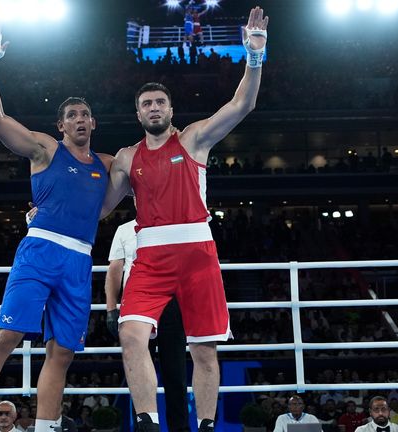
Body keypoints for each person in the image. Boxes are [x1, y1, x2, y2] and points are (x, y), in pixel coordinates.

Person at [99, 7, 269, 432]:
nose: (153, 108)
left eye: (159, 102)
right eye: (146, 104)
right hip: (150, 255)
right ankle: (148, 421)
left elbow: (242, 104)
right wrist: (47, 207)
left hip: (197, 252)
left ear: (170, 109)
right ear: (138, 114)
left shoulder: (194, 139)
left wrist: (254, 54)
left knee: (204, 349)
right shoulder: (125, 158)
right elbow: (99, 209)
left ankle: (207, 425)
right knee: (130, 335)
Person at [0, 19, 112, 432]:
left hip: (79, 260)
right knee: (6, 337)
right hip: (39, 252)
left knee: (62, 353)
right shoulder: (45, 149)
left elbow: (144, 163)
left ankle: (45, 428)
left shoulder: (110, 165)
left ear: (93, 124)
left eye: (85, 115)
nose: (78, 119)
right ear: (61, 125)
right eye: (71, 114)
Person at [104, 216, 190, 432]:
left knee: (176, 371)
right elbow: (115, 267)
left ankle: (180, 428)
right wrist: (111, 308)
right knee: (138, 373)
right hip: (136, 304)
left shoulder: (172, 221)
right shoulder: (124, 229)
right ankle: (145, 428)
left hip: (171, 301)